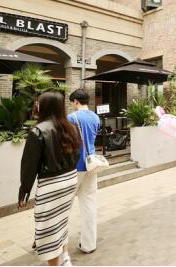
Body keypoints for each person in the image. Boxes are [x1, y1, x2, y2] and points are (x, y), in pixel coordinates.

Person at [19, 92, 80, 266]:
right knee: (61, 221)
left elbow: (29, 167)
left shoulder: (37, 131)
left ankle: (57, 264)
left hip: (51, 185)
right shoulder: (71, 127)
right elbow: (77, 155)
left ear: (43, 107)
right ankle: (65, 257)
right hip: (70, 179)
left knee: (47, 229)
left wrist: (24, 191)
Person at [68, 89, 100, 254]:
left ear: (75, 101)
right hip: (91, 165)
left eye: (72, 102)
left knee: (64, 205)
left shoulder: (71, 118)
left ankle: (57, 243)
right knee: (89, 205)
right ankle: (89, 244)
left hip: (75, 166)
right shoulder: (96, 117)